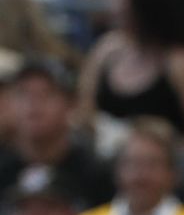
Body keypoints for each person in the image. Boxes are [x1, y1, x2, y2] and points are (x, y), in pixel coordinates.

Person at [77, 0, 184, 152]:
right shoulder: (106, 50)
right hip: (108, 164)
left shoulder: (181, 64)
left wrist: (158, 155)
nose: (116, 5)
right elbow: (84, 112)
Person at [0, 58, 115, 207]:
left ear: (71, 103)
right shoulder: (3, 167)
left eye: (47, 93)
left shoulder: (96, 173)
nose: (34, 104)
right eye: (23, 93)